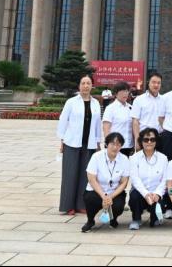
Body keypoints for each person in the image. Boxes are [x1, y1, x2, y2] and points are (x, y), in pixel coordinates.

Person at [57, 75, 103, 215]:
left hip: (89, 144)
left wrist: (98, 142)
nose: (86, 86)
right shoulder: (71, 102)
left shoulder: (95, 103)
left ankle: (81, 204)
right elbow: (63, 120)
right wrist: (62, 140)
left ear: (92, 86)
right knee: (70, 175)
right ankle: (68, 206)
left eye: (88, 83)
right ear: (79, 86)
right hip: (72, 143)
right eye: (83, 83)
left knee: (85, 175)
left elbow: (97, 124)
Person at [82, 132, 130, 232]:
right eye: (112, 144)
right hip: (97, 190)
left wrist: (110, 196)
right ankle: (90, 220)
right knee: (90, 199)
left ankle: (113, 219)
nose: (115, 147)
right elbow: (91, 179)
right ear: (107, 144)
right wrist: (103, 195)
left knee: (118, 205)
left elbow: (124, 182)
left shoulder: (124, 159)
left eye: (118, 144)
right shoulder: (96, 156)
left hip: (114, 192)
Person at [128, 128, 168, 230]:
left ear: (156, 141)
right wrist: (146, 194)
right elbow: (135, 179)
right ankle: (136, 219)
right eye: (146, 139)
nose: (149, 142)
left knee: (154, 223)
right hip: (141, 193)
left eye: (152, 139)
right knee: (134, 196)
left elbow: (165, 179)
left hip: (156, 194)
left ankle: (155, 217)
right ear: (141, 141)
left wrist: (157, 194)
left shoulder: (163, 158)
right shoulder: (134, 158)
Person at [132, 72, 165, 153]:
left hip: (160, 138)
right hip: (144, 138)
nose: (156, 85)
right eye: (153, 82)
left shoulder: (164, 100)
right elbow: (135, 121)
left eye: (158, 83)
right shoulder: (139, 100)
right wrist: (137, 140)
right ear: (148, 83)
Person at [102, 82, 134, 156]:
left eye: (127, 91)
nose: (125, 94)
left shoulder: (131, 108)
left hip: (129, 146)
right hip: (115, 146)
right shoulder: (110, 108)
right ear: (116, 93)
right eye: (123, 91)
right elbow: (106, 128)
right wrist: (108, 144)